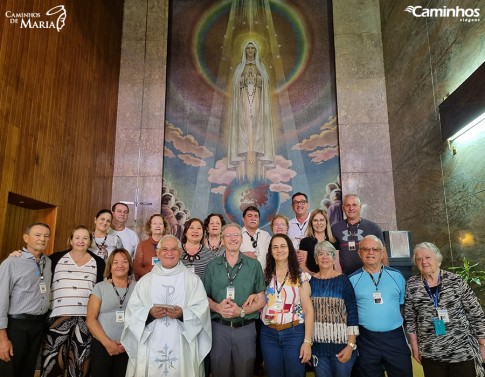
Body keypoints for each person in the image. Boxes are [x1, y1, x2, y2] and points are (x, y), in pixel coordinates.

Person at [121, 235, 212, 377]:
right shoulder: (145, 281)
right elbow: (132, 311)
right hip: (151, 341)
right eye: (164, 249)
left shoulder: (192, 280)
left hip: (182, 342)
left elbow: (202, 310)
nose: (169, 253)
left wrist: (182, 314)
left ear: (180, 252)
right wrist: (149, 313)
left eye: (174, 249)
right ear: (157, 253)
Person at [405, 242, 485, 377]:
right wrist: (415, 347)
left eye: (428, 257)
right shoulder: (412, 285)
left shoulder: (455, 281)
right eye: (419, 259)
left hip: (461, 350)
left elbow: (475, 313)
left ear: (438, 259)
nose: (423, 262)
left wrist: (483, 344)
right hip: (431, 352)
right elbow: (410, 319)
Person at [203, 223, 266, 377]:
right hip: (219, 329)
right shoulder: (212, 266)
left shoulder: (254, 265)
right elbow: (204, 297)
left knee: (245, 371)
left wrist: (241, 311)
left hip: (246, 329)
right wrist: (218, 307)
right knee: (219, 370)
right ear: (222, 240)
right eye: (228, 235)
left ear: (242, 239)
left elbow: (261, 299)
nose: (233, 238)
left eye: (236, 235)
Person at [41, 225, 105, 377]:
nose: (80, 241)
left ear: (90, 241)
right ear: (70, 240)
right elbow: (36, 266)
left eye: (85, 238)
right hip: (57, 317)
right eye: (77, 237)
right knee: (52, 363)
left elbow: (100, 290)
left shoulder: (99, 262)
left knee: (79, 364)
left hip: (85, 319)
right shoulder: (54, 259)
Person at [348, 235, 412, 377]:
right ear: (359, 253)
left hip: (395, 338)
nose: (370, 252)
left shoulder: (396, 276)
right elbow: (349, 313)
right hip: (366, 340)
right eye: (366, 249)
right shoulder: (351, 280)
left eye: (375, 249)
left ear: (382, 253)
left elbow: (403, 306)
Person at [0, 223, 52, 377]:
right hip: (16, 326)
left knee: (27, 370)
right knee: (9, 371)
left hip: (38, 325)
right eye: (37, 235)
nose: (42, 239)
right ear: (26, 237)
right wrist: (2, 338)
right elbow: (1, 300)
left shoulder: (47, 262)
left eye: (46, 236)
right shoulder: (12, 262)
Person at [260, 234, 314, 377]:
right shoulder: (264, 275)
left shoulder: (300, 276)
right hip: (268, 334)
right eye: (275, 247)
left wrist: (307, 342)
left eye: (283, 246)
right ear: (270, 251)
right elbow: (259, 301)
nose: (279, 250)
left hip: (294, 334)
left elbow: (309, 311)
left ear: (289, 249)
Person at [228, 40, 275, 181]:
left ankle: (259, 168)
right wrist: (242, 81)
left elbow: (266, 84)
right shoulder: (240, 67)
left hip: (258, 102)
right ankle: (242, 169)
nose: (250, 50)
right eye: (247, 48)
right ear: (244, 51)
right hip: (242, 103)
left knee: (256, 129)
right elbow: (235, 85)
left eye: (252, 48)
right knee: (244, 128)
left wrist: (258, 79)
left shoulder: (261, 66)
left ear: (256, 50)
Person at [310, 241, 359, 377]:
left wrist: (350, 345)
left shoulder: (344, 281)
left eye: (329, 254)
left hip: (342, 346)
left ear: (334, 258)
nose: (325, 257)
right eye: (321, 254)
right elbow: (306, 315)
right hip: (318, 348)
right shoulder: (310, 282)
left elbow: (353, 314)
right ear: (315, 259)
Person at [86, 248, 135, 377]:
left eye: (124, 262)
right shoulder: (100, 287)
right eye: (115, 262)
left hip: (128, 347)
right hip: (102, 346)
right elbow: (91, 319)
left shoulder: (137, 287)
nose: (120, 265)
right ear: (110, 266)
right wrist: (108, 344)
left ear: (129, 264)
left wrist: (127, 343)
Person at [332, 194, 389, 275]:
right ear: (343, 208)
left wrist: (384, 276)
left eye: (354, 205)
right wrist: (340, 279)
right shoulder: (335, 229)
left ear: (360, 206)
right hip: (345, 277)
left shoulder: (373, 228)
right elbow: (334, 258)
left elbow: (383, 255)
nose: (351, 208)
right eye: (347, 205)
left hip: (370, 277)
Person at [299, 209, 339, 275]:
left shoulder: (334, 241)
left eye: (321, 220)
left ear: (326, 222)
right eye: (315, 220)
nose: (319, 223)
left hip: (331, 279)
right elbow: (302, 266)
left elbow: (337, 264)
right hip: (312, 279)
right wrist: (316, 276)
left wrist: (340, 278)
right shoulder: (305, 242)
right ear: (311, 223)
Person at [133, 214, 170, 280]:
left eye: (160, 224)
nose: (157, 226)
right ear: (150, 227)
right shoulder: (142, 245)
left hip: (166, 281)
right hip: (147, 282)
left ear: (164, 227)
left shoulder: (170, 245)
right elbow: (137, 267)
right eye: (154, 223)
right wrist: (152, 276)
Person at [241, 205, 271, 270]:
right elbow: (228, 255)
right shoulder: (236, 235)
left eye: (256, 216)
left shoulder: (266, 235)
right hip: (243, 277)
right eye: (249, 216)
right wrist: (242, 255)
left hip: (263, 277)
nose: (253, 218)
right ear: (243, 219)